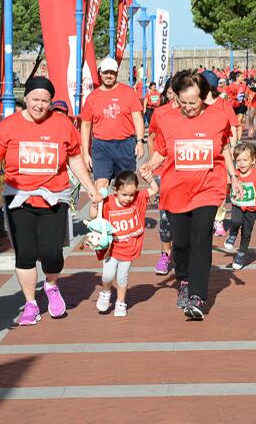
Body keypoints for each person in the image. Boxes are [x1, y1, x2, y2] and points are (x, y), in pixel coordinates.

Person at [0, 77, 98, 327]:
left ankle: (51, 285)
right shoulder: (8, 127)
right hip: (19, 199)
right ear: (26, 99)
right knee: (26, 253)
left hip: (55, 197)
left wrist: (91, 188)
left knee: (52, 253)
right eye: (35, 100)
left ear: (51, 102)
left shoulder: (63, 124)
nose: (39, 105)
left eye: (45, 101)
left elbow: (74, 159)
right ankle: (31, 303)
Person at [141, 70, 240, 320]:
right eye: (183, 103)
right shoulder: (165, 117)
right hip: (175, 191)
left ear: (203, 96)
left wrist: (234, 177)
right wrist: (150, 165)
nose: (188, 108)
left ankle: (197, 296)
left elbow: (225, 149)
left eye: (193, 103)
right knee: (181, 242)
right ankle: (183, 280)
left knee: (201, 239)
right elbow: (161, 151)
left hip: (208, 189)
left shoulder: (218, 117)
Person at [93, 170, 158, 317]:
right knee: (108, 276)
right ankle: (106, 292)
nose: (128, 198)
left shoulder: (138, 198)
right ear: (115, 190)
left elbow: (154, 189)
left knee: (123, 276)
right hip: (111, 248)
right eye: (124, 195)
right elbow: (92, 215)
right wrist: (96, 203)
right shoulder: (108, 201)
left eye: (131, 194)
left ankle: (120, 302)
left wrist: (149, 178)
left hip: (129, 247)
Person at [80, 57, 145, 193]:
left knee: (126, 185)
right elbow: (85, 126)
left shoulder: (128, 92)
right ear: (100, 73)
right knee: (101, 184)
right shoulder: (92, 98)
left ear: (116, 73)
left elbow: (137, 118)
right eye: (105, 72)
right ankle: (100, 212)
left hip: (125, 145)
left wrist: (139, 141)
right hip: (101, 147)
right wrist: (85, 153)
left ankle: (124, 212)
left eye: (112, 72)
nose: (108, 76)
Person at [224, 142, 256, 270]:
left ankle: (241, 254)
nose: (241, 163)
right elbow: (227, 188)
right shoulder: (234, 174)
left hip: (252, 209)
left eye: (245, 160)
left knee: (246, 233)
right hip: (238, 205)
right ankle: (232, 235)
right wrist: (227, 184)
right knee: (235, 221)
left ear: (253, 160)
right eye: (238, 160)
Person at [201, 70, 239, 237]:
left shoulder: (223, 104)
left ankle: (219, 219)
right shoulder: (196, 103)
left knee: (220, 188)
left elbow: (233, 127)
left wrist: (232, 146)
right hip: (201, 152)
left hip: (221, 153)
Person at [147, 78, 178, 276]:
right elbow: (151, 139)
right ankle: (165, 254)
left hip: (185, 173)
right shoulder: (159, 113)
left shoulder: (190, 113)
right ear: (166, 93)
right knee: (165, 217)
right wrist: (152, 165)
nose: (174, 94)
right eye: (171, 90)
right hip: (163, 171)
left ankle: (183, 252)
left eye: (178, 90)